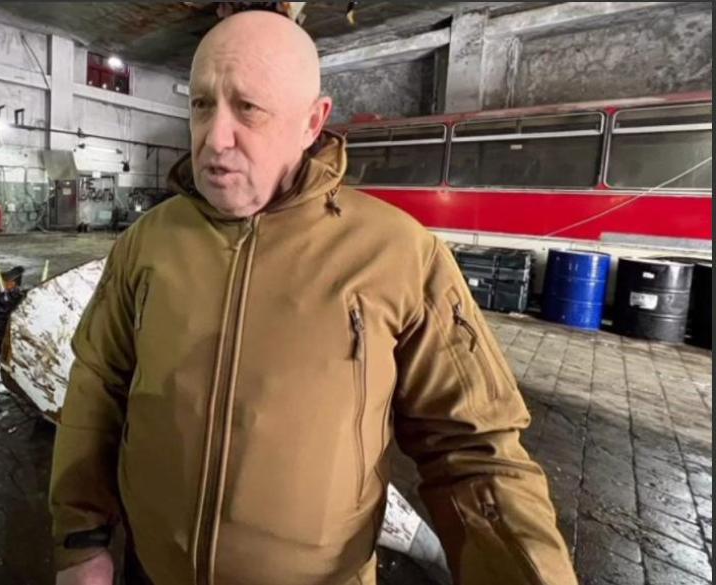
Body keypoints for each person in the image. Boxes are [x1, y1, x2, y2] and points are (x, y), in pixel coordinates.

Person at [50, 10, 577, 585]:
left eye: (248, 108)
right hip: (152, 571)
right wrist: (80, 540)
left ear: (312, 122)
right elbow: (98, 383)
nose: (215, 137)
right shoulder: (147, 241)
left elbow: (474, 450)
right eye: (201, 104)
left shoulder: (399, 254)